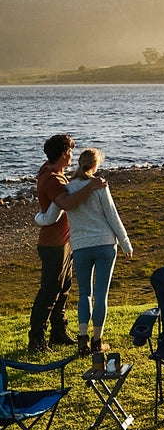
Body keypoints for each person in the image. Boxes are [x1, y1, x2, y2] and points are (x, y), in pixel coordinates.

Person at [36, 148, 133, 356]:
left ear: (80, 163)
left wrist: (37, 219)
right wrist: (126, 245)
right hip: (106, 245)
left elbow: (50, 217)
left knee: (84, 295)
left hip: (80, 247)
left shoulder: (67, 188)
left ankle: (82, 340)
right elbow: (113, 217)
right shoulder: (99, 185)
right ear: (95, 165)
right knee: (101, 296)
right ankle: (97, 342)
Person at [29, 133, 107, 353]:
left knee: (63, 289)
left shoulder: (53, 172)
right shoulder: (53, 179)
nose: (72, 154)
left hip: (64, 242)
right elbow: (68, 204)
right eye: (70, 151)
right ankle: (36, 340)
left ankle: (58, 332)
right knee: (50, 291)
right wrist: (91, 187)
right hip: (53, 244)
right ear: (64, 154)